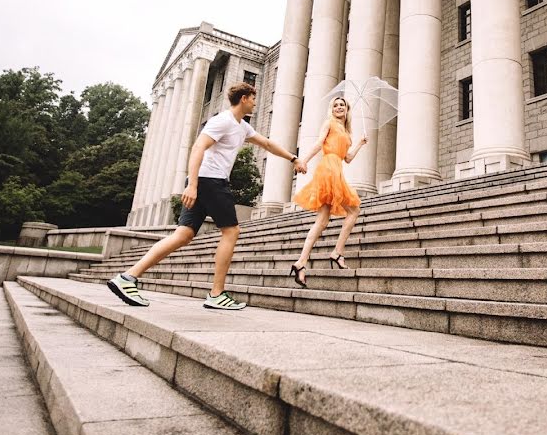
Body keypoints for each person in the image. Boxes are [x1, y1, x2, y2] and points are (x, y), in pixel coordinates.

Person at [108, 82, 306, 309]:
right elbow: (198, 148)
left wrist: (293, 158)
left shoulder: (242, 126)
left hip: (206, 182)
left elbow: (267, 143)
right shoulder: (222, 121)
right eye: (253, 98)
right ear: (243, 98)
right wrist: (192, 185)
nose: (255, 102)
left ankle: (127, 278)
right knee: (231, 231)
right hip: (210, 181)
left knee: (182, 235)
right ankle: (216, 294)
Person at [289, 96, 367, 287]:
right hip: (328, 169)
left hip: (337, 168)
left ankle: (301, 263)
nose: (339, 107)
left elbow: (347, 158)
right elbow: (318, 143)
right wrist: (303, 160)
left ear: (347, 110)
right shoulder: (329, 123)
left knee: (322, 221)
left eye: (342, 105)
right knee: (354, 210)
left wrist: (359, 143)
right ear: (331, 109)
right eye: (335, 105)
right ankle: (337, 252)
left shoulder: (347, 132)